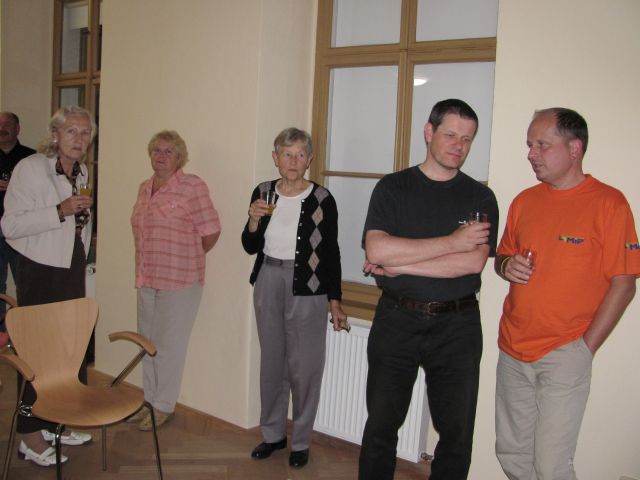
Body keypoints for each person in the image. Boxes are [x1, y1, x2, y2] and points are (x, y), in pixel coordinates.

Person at [494, 108, 639, 479]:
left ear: (574, 148)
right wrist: (506, 265)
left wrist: (585, 348)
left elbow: (624, 283)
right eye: (530, 144)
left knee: (551, 466)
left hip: (564, 352)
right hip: (512, 348)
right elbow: (503, 256)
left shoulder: (610, 203)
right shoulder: (524, 201)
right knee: (512, 455)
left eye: (542, 144)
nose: (531, 153)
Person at [359, 99, 499, 480]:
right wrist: (453, 242)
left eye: (467, 139)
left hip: (458, 325)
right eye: (451, 135)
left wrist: (400, 264)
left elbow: (471, 264)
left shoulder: (480, 198)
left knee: (456, 435)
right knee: (381, 426)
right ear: (428, 132)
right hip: (397, 318)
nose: (459, 145)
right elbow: (377, 250)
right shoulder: (393, 188)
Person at [242, 127, 348, 469]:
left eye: (300, 154)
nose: (293, 161)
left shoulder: (322, 199)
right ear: (275, 158)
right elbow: (249, 245)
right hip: (268, 279)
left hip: (310, 287)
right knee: (272, 363)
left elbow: (330, 253)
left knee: (304, 367)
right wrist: (253, 221)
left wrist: (335, 300)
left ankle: (301, 441)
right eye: (286, 154)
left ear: (309, 159)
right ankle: (273, 434)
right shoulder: (263, 192)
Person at [1, 105, 97, 467]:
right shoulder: (31, 168)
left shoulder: (81, 171)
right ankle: (29, 434)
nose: (79, 139)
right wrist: (60, 210)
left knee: (69, 350)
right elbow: (10, 225)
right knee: (38, 354)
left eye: (85, 133)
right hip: (40, 270)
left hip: (71, 267)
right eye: (71, 131)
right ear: (55, 134)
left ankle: (57, 421)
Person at [129, 130, 221, 432]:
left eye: (168, 151)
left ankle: (163, 406)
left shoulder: (192, 186)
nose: (161, 156)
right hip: (147, 276)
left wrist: (186, 255)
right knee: (146, 344)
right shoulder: (144, 187)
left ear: (179, 157)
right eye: (156, 150)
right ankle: (148, 401)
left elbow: (211, 231)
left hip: (180, 279)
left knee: (168, 347)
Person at [0, 112, 35, 334]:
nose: (2, 128)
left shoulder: (31, 159)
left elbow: (39, 196)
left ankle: (24, 334)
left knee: (25, 285)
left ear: (17, 129)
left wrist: (14, 186)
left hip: (21, 232)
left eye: (8, 124)